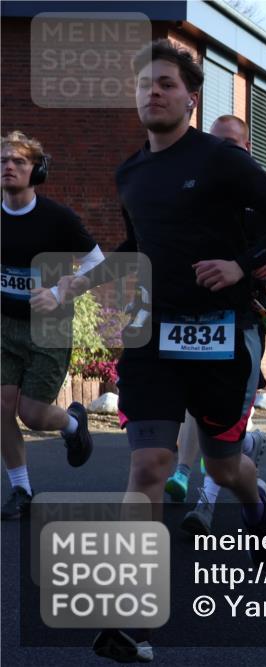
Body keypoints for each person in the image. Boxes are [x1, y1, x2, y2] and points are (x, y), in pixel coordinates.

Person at [69, 40, 266, 662]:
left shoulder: (222, 161)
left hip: (220, 335)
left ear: (190, 99)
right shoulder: (130, 172)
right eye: (146, 83)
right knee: (149, 467)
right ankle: (131, 616)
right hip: (152, 333)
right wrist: (79, 281)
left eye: (167, 84)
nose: (154, 91)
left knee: (226, 469)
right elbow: (136, 243)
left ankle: (257, 503)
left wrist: (241, 266)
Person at [168, 114, 266, 532]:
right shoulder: (191, 189)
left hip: (244, 316)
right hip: (192, 318)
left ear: (246, 149)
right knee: (196, 406)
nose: (221, 150)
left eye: (231, 143)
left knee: (219, 416)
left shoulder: (257, 190)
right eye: (215, 142)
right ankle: (188, 469)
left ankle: (206, 503)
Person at [1, 131, 102, 519]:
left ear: (36, 170)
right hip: (4, 325)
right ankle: (22, 490)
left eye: (19, 161)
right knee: (1, 408)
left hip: (49, 327)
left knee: (34, 415)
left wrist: (61, 293)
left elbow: (97, 264)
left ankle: (73, 424)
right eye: (3, 160)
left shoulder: (58, 219)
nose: (9, 166)